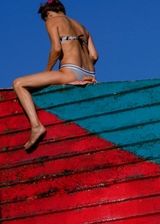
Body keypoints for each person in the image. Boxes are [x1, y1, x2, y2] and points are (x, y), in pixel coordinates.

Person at [12, 0, 98, 151]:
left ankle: (36, 126)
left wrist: (48, 70)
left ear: (48, 14)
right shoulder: (83, 27)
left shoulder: (52, 20)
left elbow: (56, 49)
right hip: (89, 73)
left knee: (18, 83)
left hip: (71, 71)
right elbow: (95, 56)